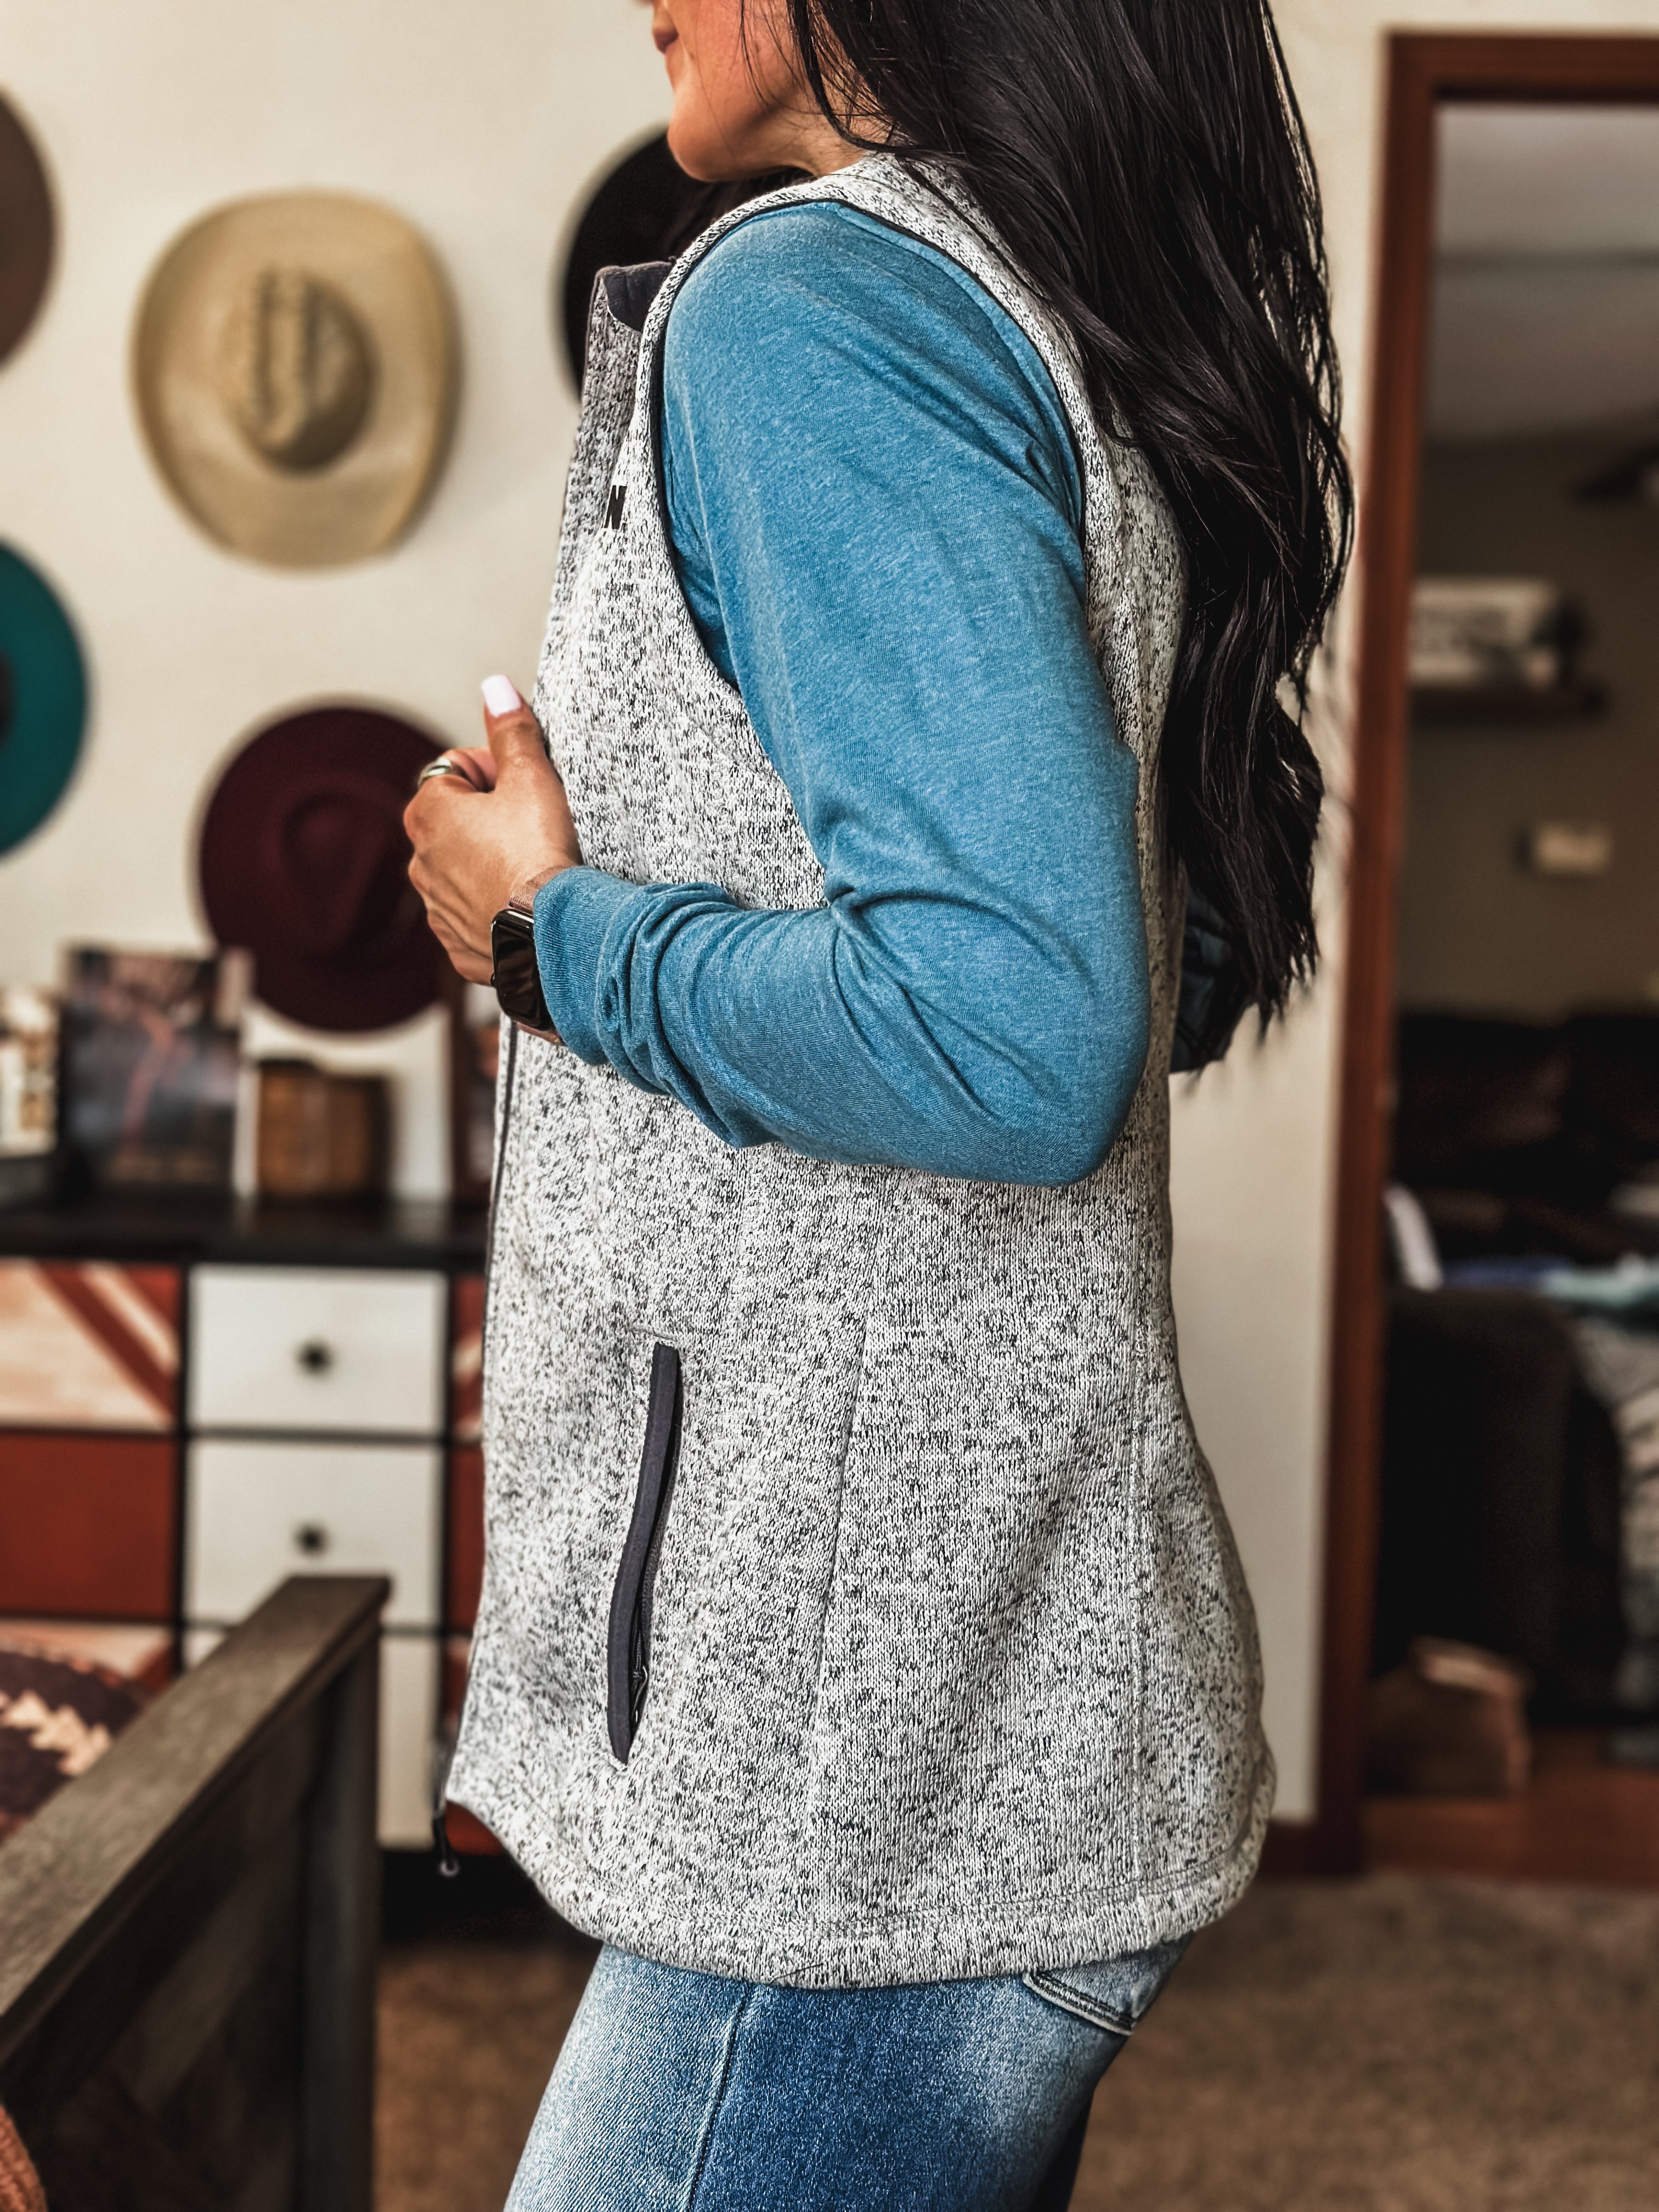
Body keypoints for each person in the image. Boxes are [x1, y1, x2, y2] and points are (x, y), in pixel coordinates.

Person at [404, 1, 1351, 2203]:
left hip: (866, 1783)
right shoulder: (1042, 303)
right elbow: (1170, 968)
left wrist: (554, 933)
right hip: (962, 1711)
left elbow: (1025, 1032)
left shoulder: (818, 309)